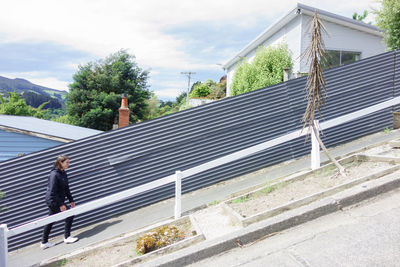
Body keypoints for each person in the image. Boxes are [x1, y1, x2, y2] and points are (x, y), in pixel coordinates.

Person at [40, 155, 79, 249]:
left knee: (51, 219)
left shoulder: (63, 173)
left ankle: (44, 242)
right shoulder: (54, 174)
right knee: (69, 214)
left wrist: (71, 200)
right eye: (67, 162)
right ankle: (67, 237)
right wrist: (61, 204)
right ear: (61, 163)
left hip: (58, 199)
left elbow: (66, 188)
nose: (68, 164)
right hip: (53, 200)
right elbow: (52, 191)